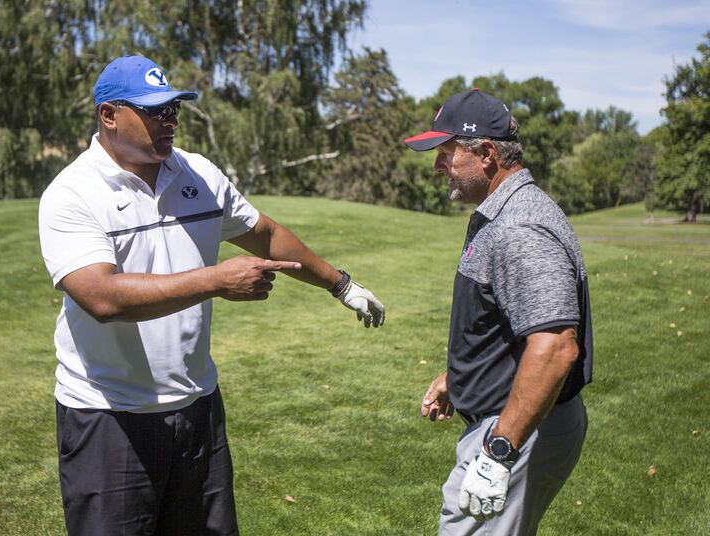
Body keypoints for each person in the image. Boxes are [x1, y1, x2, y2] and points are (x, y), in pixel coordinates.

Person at [38, 55, 385, 536]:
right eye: (155, 110)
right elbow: (101, 297)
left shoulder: (197, 174)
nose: (170, 120)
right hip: (108, 416)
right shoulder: (72, 193)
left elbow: (263, 233)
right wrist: (216, 280)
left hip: (197, 408)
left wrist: (339, 283)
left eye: (174, 108)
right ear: (109, 115)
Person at [404, 89, 593, 536]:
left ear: (486, 154)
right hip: (513, 417)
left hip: (517, 429)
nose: (437, 166)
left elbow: (555, 346)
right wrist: (461, 377)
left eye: (446, 153)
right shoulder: (501, 213)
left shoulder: (520, 226)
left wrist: (498, 452)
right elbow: (510, 325)